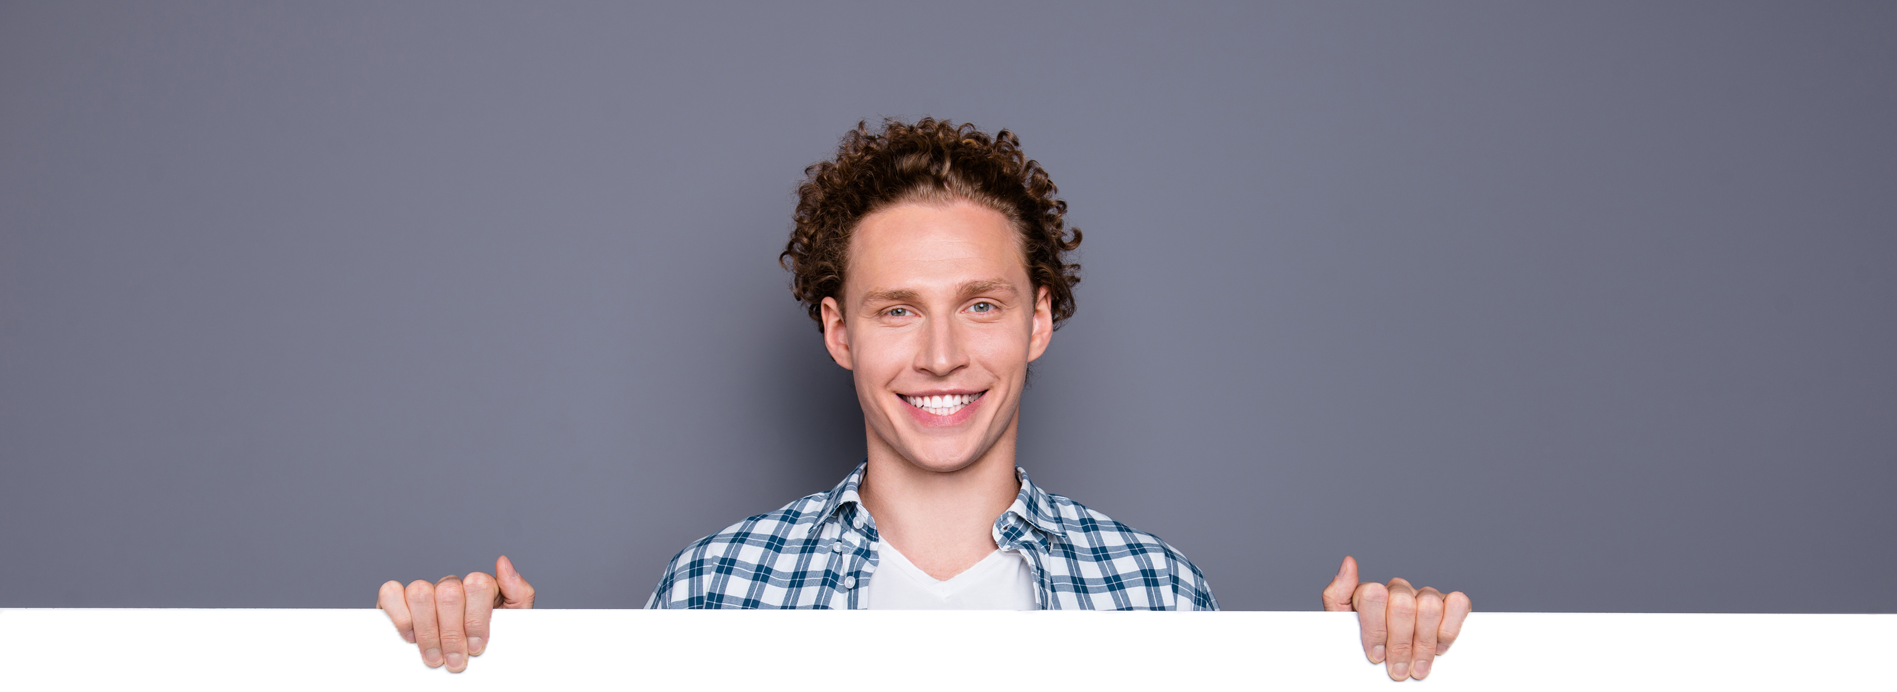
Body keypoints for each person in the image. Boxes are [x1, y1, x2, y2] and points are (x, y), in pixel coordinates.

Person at [375, 118, 1472, 681]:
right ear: (839, 331)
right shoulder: (715, 585)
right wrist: (492, 674)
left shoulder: (1157, 589)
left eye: (981, 306)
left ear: (1039, 320)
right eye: (897, 310)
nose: (941, 354)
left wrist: (1368, 679)